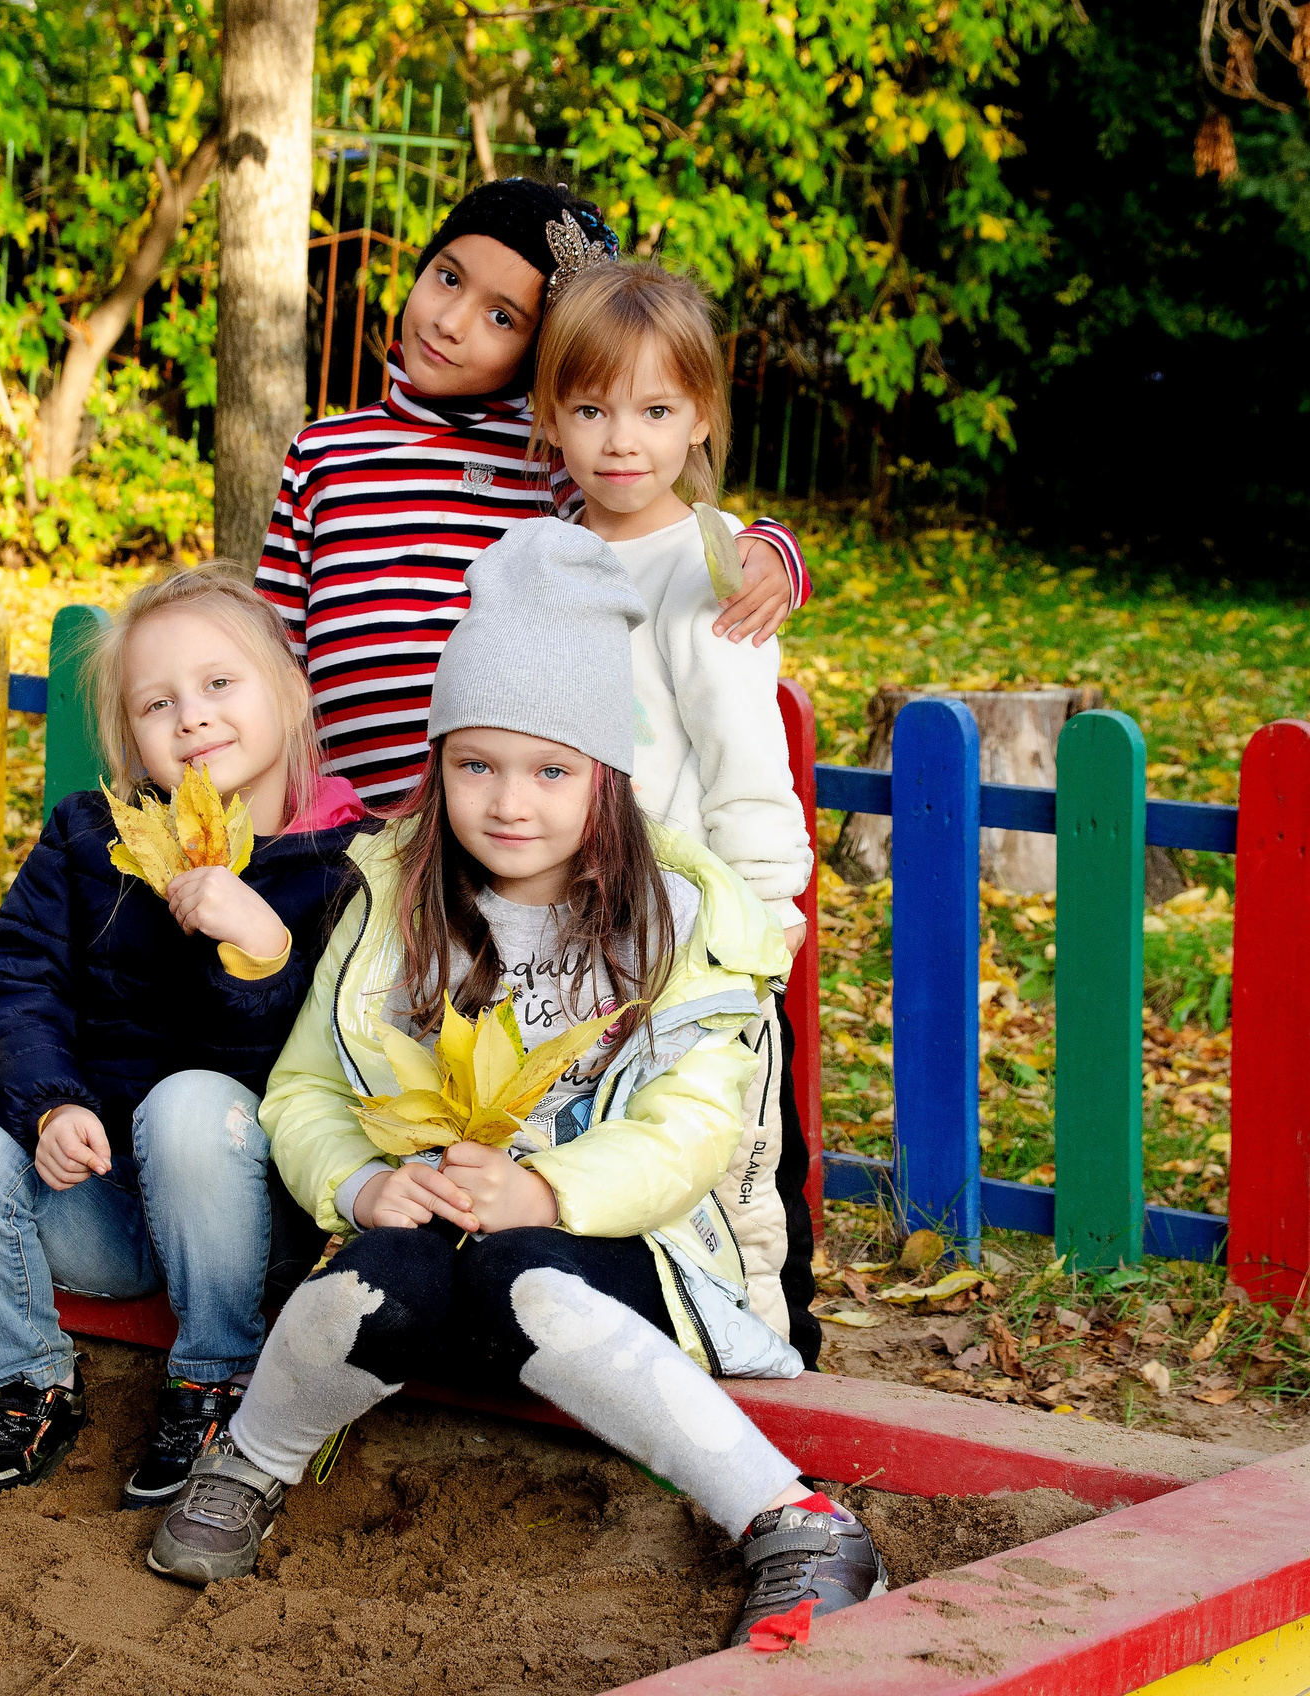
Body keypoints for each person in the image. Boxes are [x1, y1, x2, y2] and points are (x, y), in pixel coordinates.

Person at [147, 526, 884, 1648]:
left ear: (607, 776)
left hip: (624, 1257)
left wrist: (542, 1190)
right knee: (368, 1271)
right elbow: (301, 1089)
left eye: (550, 770)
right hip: (433, 1232)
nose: (508, 801)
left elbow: (687, 1131)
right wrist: (356, 1184)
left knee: (519, 1270)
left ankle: (795, 1520)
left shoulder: (684, 922)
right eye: (474, 763)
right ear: (436, 766)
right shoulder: (391, 898)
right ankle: (246, 1463)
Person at [0, 568, 370, 1506]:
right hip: (103, 1209)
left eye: (220, 685)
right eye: (159, 703)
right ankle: (31, 1378)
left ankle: (214, 1379)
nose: (192, 718)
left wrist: (263, 950)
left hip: (256, 1217)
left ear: (291, 684)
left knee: (192, 1105)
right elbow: (11, 985)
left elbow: (344, 1070)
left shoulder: (351, 863)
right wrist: (51, 1106)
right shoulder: (88, 844)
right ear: (130, 737)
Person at [255, 176, 811, 808]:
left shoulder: (554, 454)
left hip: (501, 826)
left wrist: (771, 548)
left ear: (539, 355)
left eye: (501, 317)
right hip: (341, 817)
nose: (451, 321)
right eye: (448, 276)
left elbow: (659, 526)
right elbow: (274, 646)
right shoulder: (323, 454)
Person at [534, 258, 823, 1366]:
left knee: (737, 1166)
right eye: (593, 408)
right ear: (551, 416)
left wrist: (763, 936)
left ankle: (778, 1374)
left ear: (698, 414)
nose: (622, 440)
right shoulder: (547, 561)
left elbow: (746, 766)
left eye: (655, 410)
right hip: (572, 930)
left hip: (702, 937)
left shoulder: (711, 572)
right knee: (620, 1152)